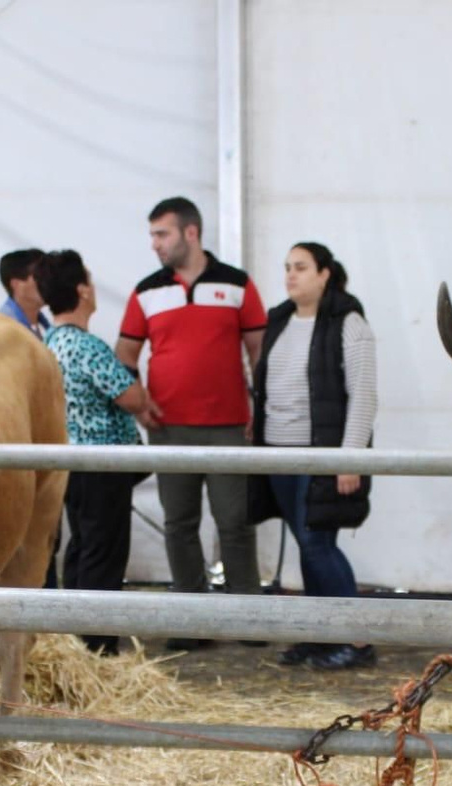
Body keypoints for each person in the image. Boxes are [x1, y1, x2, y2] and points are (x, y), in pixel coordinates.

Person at [116, 196, 268, 650]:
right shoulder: (146, 291)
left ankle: (249, 619)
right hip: (170, 429)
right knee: (180, 522)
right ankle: (190, 619)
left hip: (229, 427)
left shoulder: (238, 285)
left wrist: (257, 408)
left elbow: (259, 350)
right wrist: (140, 404)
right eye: (152, 236)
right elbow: (126, 353)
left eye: (161, 234)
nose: (154, 245)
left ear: (191, 232)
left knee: (235, 522)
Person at [249, 242, 377, 670]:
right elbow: (267, 383)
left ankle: (357, 641)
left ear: (324, 273)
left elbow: (363, 396)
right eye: (287, 267)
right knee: (307, 543)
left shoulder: (349, 323)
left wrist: (350, 458)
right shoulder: (280, 319)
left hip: (321, 454)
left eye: (301, 267)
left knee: (317, 541)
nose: (290, 275)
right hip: (278, 452)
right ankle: (320, 634)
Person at [35, 249, 154, 656]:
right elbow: (132, 396)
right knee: (103, 550)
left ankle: (74, 639)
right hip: (104, 463)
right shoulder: (88, 347)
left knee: (81, 546)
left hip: (67, 462)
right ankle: (98, 644)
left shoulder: (46, 343)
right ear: (82, 290)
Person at [0, 248, 51, 338]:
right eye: (39, 277)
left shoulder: (46, 327)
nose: (47, 282)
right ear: (16, 284)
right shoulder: (1, 328)